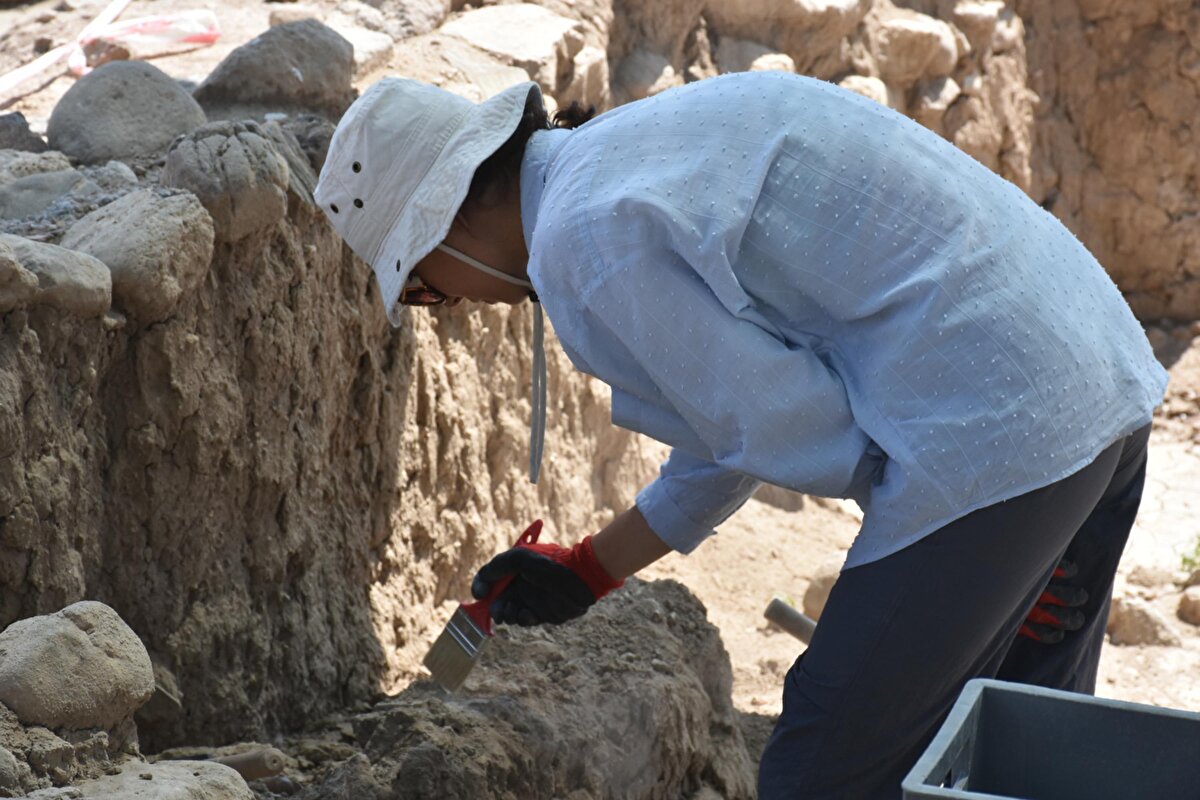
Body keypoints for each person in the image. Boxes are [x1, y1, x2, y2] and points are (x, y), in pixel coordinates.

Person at [314, 71, 1168, 799]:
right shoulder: (626, 157)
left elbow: (776, 423)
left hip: (1003, 432)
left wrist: (966, 565)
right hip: (1091, 374)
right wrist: (593, 566)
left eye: (426, 287)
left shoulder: (583, 244)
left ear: (450, 222)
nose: (453, 305)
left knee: (825, 759)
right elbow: (738, 417)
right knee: (1016, 751)